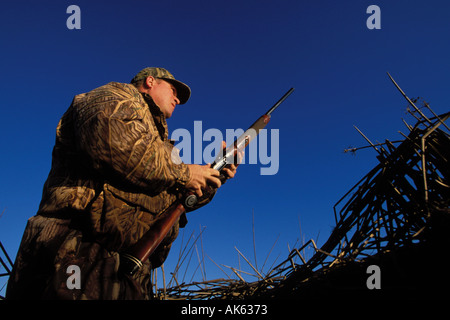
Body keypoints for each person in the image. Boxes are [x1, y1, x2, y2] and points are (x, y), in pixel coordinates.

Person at [6, 67, 237, 300]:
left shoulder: (162, 143)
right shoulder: (115, 96)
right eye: (173, 90)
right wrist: (185, 173)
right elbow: (114, 145)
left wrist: (215, 175)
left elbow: (175, 198)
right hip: (78, 248)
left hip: (130, 267)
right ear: (150, 81)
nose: (177, 98)